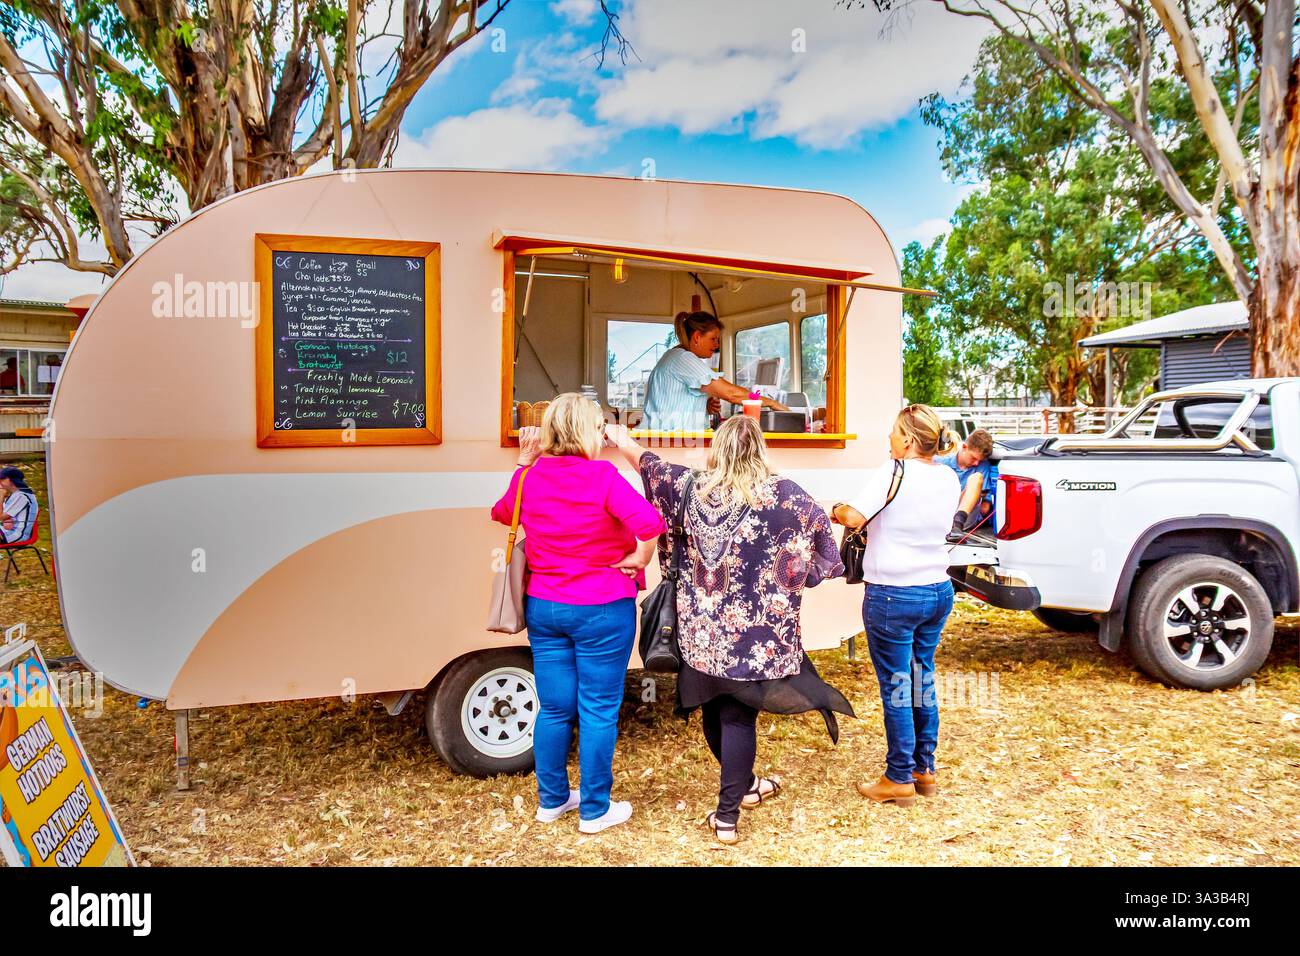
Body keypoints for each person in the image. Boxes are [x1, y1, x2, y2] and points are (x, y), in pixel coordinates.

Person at [609, 415, 853, 844]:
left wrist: (617, 436)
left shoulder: (691, 489)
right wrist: (795, 575)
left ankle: (743, 790)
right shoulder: (787, 497)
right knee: (739, 720)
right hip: (759, 639)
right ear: (759, 449)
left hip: (703, 636)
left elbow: (648, 464)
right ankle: (727, 817)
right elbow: (823, 554)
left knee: (715, 710)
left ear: (717, 450)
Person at [490, 393, 666, 833]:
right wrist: (641, 558)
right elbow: (650, 524)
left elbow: (501, 513)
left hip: (546, 606)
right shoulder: (602, 476)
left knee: (553, 708)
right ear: (590, 431)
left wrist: (522, 463)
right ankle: (593, 809)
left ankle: (551, 801)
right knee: (598, 708)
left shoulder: (531, 476)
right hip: (602, 607)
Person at [831, 404, 960, 807]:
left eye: (892, 431)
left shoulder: (893, 471)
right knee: (922, 679)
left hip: (893, 594)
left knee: (897, 686)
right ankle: (925, 769)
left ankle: (899, 777)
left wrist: (834, 509)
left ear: (907, 439)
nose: (888, 438)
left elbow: (855, 515)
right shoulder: (949, 476)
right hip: (937, 588)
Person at [641, 310, 787, 431]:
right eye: (713, 339)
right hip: (671, 443)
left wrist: (704, 407)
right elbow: (730, 393)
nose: (716, 345)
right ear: (697, 337)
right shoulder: (683, 359)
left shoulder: (675, 357)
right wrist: (771, 403)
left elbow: (673, 402)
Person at [938, 428, 995, 541]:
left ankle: (957, 527)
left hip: (965, 519)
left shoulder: (983, 466)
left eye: (980, 460)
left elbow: (985, 508)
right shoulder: (940, 463)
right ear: (964, 447)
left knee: (976, 478)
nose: (976, 463)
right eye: (973, 458)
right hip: (942, 514)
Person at [0, 467, 38, 544]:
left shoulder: (23, 496)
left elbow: (1, 517)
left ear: (11, 480)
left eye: (2, 478)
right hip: (5, 531)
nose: (0, 481)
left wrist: (0, 495)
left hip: (14, 535)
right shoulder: (14, 496)